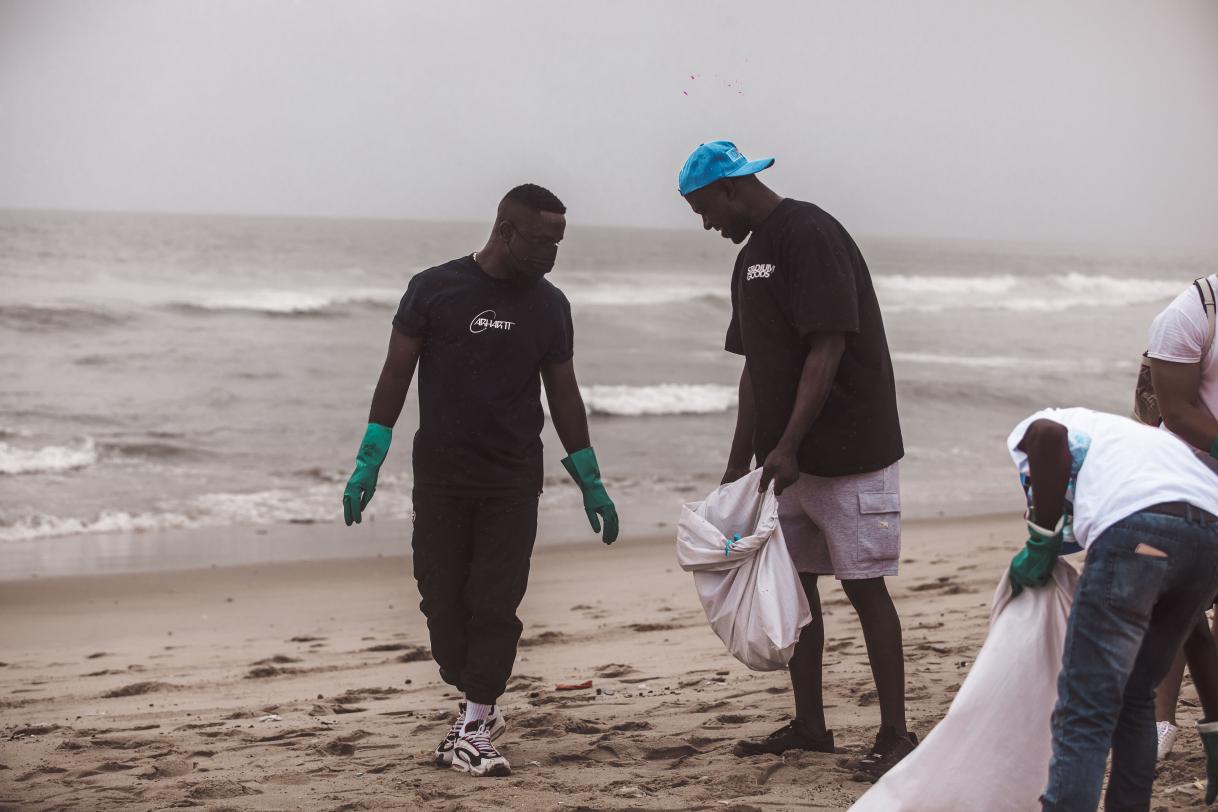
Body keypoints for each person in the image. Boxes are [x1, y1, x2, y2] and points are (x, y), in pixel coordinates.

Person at [340, 184, 619, 778]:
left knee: (495, 603)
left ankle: (475, 721)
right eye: (541, 241)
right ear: (504, 229)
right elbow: (396, 369)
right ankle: (474, 703)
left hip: (513, 479)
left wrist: (589, 477)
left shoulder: (550, 305)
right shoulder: (434, 288)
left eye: (558, 244)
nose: (550, 254)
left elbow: (563, 391)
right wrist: (371, 455)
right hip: (440, 476)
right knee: (442, 601)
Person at [678, 140, 913, 780]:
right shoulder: (750, 257)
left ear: (731, 188)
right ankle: (811, 725)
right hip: (787, 463)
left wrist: (788, 443)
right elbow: (756, 365)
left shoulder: (810, 233)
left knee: (866, 590)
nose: (706, 224)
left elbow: (828, 346)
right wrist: (741, 461)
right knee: (800, 591)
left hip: (851, 453)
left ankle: (896, 733)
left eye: (704, 208)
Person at [1006, 407, 1218, 811]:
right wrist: (1214, 728)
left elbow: (1047, 435)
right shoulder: (1127, 450)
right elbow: (1199, 638)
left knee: (1086, 704)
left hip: (1136, 532)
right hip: (1210, 535)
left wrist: (1039, 538)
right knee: (1137, 694)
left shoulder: (1050, 423)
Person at [1145, 275, 1218, 769]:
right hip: (1185, 472)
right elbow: (1174, 409)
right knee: (1177, 604)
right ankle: (1158, 724)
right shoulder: (1192, 312)